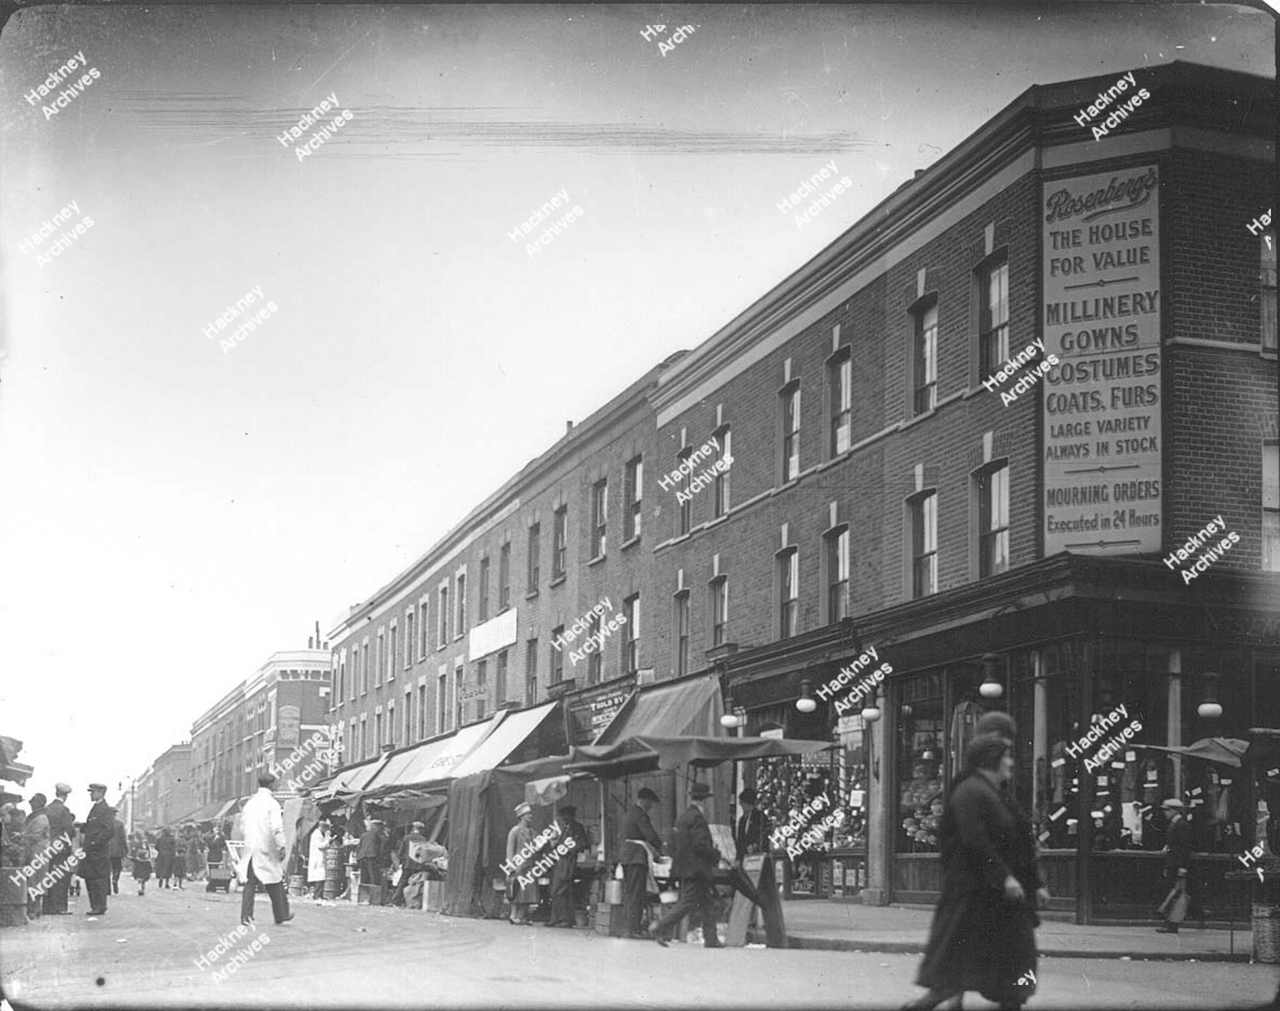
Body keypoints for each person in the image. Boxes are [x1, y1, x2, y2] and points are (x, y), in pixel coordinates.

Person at [908, 734, 1044, 1011]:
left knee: (1009, 971)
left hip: (999, 899)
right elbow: (975, 840)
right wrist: (1004, 877)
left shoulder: (998, 793)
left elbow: (1020, 840)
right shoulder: (970, 792)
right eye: (1005, 756)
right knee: (959, 972)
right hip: (976, 895)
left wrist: (1036, 882)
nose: (1010, 762)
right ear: (990, 760)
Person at [649, 781, 723, 948]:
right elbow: (700, 845)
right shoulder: (697, 818)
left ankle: (711, 939)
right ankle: (660, 926)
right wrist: (715, 854)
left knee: (707, 903)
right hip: (696, 869)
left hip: (686, 868)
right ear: (705, 801)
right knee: (687, 902)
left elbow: (675, 844)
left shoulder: (683, 817)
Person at [237, 771, 294, 927]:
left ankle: (246, 916)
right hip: (266, 847)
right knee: (275, 879)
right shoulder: (272, 804)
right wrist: (282, 845)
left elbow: (242, 826)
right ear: (270, 784)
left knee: (250, 883)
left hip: (251, 847)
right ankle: (281, 914)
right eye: (275, 783)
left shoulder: (250, 804)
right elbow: (276, 828)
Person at [618, 787, 663, 939]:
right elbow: (650, 835)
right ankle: (633, 929)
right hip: (636, 857)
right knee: (636, 894)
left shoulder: (629, 813)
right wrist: (660, 848)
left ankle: (628, 927)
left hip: (627, 856)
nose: (650, 806)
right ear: (644, 800)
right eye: (650, 802)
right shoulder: (640, 814)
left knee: (629, 893)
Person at [546, 804, 591, 928]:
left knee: (562, 890)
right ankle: (555, 918)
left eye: (566, 816)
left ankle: (565, 919)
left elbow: (583, 844)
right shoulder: (564, 828)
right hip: (559, 862)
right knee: (555, 890)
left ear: (571, 816)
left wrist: (569, 849)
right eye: (563, 816)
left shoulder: (577, 828)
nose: (564, 818)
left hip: (568, 862)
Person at [78, 783, 115, 916]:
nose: (91, 794)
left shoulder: (105, 809)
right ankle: (95, 906)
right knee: (91, 878)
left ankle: (99, 906)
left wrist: (95, 841)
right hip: (92, 850)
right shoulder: (97, 807)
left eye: (93, 792)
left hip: (97, 851)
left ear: (100, 793)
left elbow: (110, 829)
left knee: (97, 879)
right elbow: (94, 826)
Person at [1157, 798, 1191, 934]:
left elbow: (1185, 847)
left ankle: (1172, 924)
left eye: (1167, 810)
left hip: (1177, 864)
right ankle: (1169, 922)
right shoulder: (1174, 823)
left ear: (1174, 810)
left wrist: (1183, 866)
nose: (1165, 813)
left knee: (1175, 894)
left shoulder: (1181, 825)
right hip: (1172, 863)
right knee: (1171, 893)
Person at [389, 820, 443, 907]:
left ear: (413, 828)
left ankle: (396, 901)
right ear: (421, 830)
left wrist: (404, 860)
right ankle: (412, 901)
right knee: (417, 884)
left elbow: (400, 853)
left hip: (407, 865)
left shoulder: (406, 838)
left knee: (402, 882)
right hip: (419, 866)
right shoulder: (423, 839)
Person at [42, 784, 76, 915]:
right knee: (61, 878)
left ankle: (47, 907)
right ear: (65, 796)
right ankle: (60, 907)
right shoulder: (64, 810)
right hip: (61, 849)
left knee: (48, 875)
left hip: (48, 848)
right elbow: (70, 830)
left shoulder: (47, 809)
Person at [505, 802, 541, 924]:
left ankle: (521, 917)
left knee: (528, 893)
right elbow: (510, 849)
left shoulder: (533, 832)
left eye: (530, 814)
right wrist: (510, 865)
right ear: (521, 816)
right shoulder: (514, 831)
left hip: (530, 866)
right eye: (528, 814)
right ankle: (513, 915)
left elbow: (538, 848)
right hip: (518, 866)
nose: (530, 816)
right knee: (516, 891)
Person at [23, 795, 51, 919]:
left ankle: (34, 909)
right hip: (38, 852)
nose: (31, 804)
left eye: (33, 802)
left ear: (38, 804)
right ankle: (35, 909)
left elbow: (35, 836)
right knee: (36, 881)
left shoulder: (39, 819)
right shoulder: (40, 817)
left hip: (37, 853)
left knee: (35, 881)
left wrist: (20, 836)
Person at [356, 819, 390, 904]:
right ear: (378, 826)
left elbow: (359, 847)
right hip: (371, 857)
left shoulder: (364, 835)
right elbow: (386, 841)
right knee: (374, 878)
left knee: (364, 879)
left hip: (362, 858)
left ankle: (363, 899)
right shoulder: (377, 832)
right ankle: (375, 900)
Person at [734, 788, 771, 860]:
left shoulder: (760, 817)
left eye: (742, 803)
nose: (741, 805)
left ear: (748, 803)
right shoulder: (742, 820)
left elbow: (764, 835)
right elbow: (740, 840)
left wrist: (755, 845)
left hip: (757, 857)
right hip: (744, 857)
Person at [307, 817, 330, 899]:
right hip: (317, 858)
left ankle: (319, 894)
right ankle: (317, 895)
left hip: (319, 858)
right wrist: (327, 839)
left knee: (321, 876)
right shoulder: (316, 834)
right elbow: (320, 846)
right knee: (321, 876)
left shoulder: (318, 834)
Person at [108, 816, 127, 894]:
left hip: (107, 851)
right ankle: (115, 878)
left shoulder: (105, 823)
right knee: (117, 868)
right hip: (117, 851)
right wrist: (125, 849)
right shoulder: (119, 824)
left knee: (107, 869)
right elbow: (123, 837)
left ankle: (107, 888)